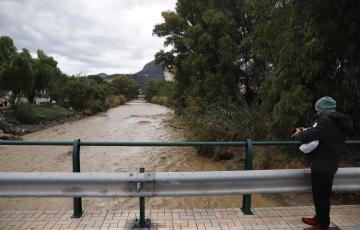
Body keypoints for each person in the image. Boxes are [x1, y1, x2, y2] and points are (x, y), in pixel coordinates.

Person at [292, 96, 353, 230]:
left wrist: (299, 134)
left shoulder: (326, 121)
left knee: (321, 197)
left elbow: (310, 136)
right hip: (330, 162)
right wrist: (307, 130)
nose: (317, 113)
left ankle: (322, 225)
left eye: (318, 110)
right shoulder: (338, 121)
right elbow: (320, 133)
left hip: (322, 165)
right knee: (322, 196)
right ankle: (319, 219)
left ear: (323, 109)